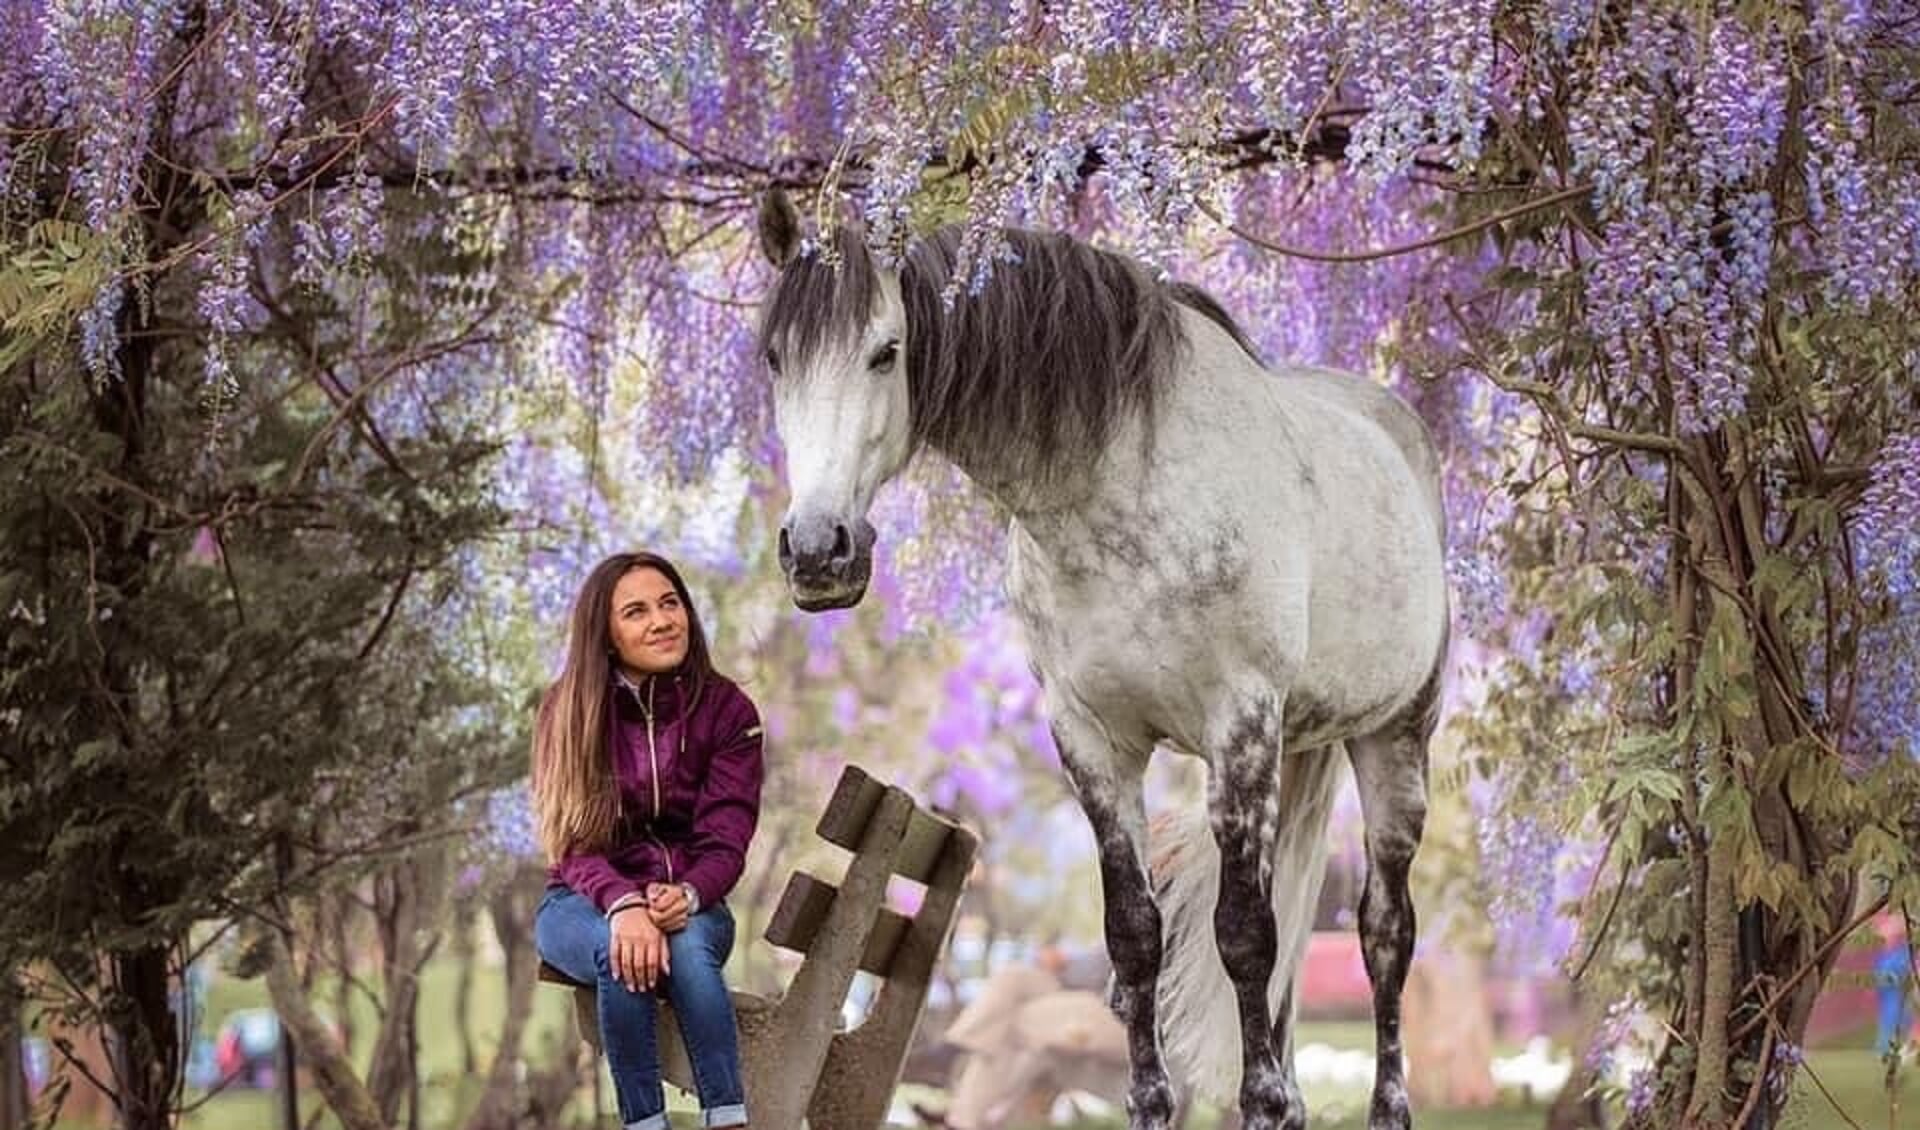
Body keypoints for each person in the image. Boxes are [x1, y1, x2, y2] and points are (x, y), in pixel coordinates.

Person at [533, 552, 765, 1130]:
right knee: (621, 951)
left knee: (687, 948)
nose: (662, 621)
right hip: (580, 901)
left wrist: (686, 894)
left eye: (670, 603)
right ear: (606, 634)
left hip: (691, 902)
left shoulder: (727, 710)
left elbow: (725, 840)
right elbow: (573, 844)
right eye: (636, 612)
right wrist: (624, 905)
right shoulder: (569, 709)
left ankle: (728, 1118)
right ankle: (644, 1123)